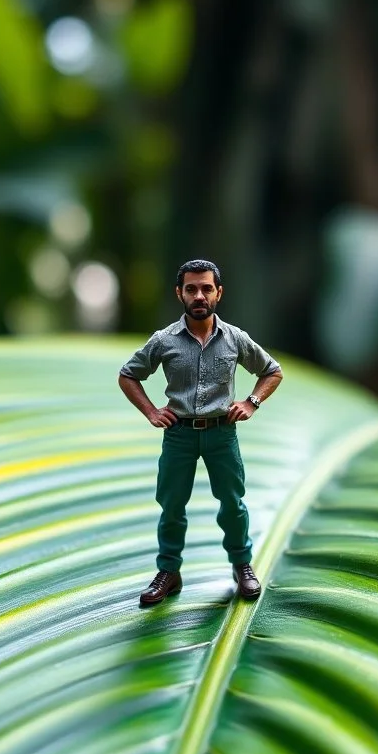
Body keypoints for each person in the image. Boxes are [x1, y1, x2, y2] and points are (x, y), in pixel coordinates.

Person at [118, 258, 283, 607]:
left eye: (206, 288)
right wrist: (150, 410)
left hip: (222, 432)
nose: (199, 295)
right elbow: (128, 374)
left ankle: (242, 566)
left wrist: (252, 401)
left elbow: (272, 371)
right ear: (179, 293)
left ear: (218, 293)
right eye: (191, 288)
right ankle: (169, 572)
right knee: (172, 505)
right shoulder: (164, 341)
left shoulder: (234, 338)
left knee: (232, 504)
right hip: (179, 433)